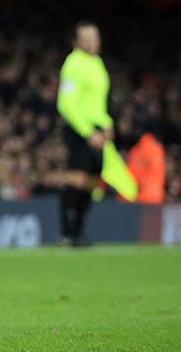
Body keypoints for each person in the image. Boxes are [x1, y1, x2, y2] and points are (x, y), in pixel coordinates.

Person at [56, 21, 112, 246]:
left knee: (91, 182)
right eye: (86, 38)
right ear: (76, 42)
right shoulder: (73, 63)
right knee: (76, 179)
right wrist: (88, 132)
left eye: (94, 37)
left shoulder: (97, 63)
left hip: (97, 128)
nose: (91, 42)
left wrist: (107, 124)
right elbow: (66, 103)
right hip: (80, 129)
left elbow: (97, 101)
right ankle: (66, 233)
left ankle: (78, 231)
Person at [126, 132, 165, 204]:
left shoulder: (134, 151)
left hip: (139, 196)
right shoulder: (158, 150)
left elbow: (131, 175)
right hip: (156, 196)